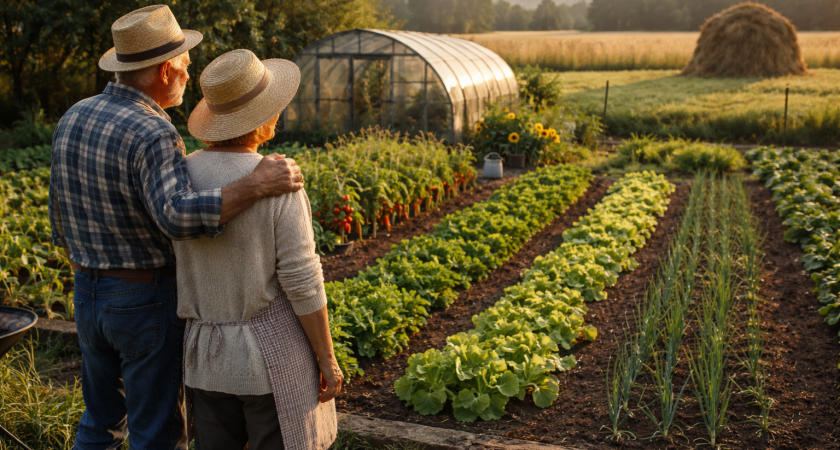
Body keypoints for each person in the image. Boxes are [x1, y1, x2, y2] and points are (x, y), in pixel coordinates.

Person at [48, 6, 303, 450]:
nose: (188, 73)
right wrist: (254, 184)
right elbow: (177, 216)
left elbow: (58, 219)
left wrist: (91, 270)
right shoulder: (152, 131)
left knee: (99, 422)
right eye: (185, 66)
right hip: (142, 300)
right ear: (165, 70)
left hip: (88, 293)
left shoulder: (75, 115)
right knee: (157, 433)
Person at [175, 49, 341, 450]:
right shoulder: (277, 177)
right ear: (262, 118)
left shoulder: (180, 175)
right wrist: (326, 359)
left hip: (204, 359)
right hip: (267, 363)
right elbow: (302, 279)